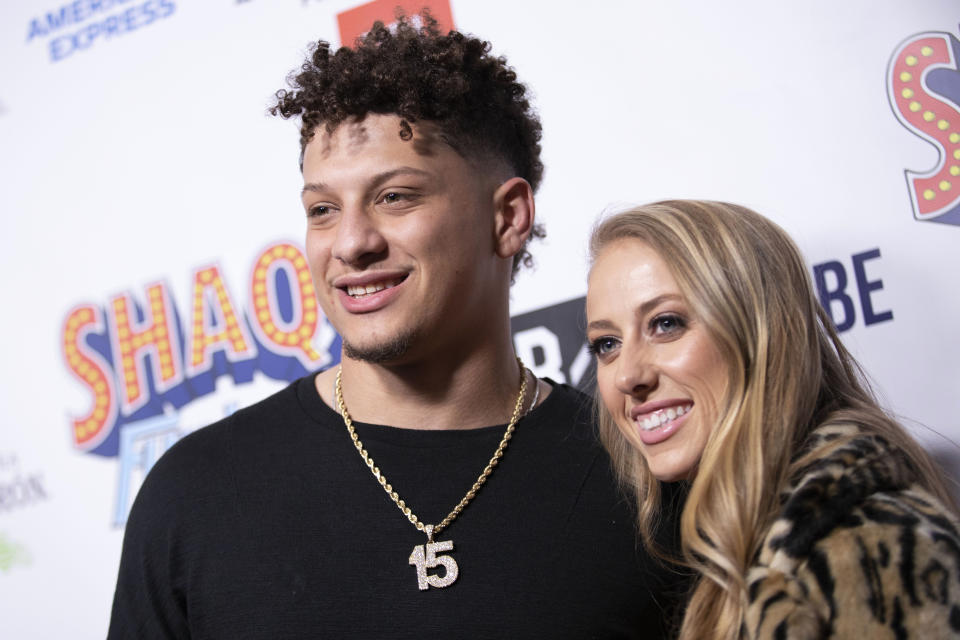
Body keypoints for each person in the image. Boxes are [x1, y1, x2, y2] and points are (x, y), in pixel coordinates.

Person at [107, 16, 683, 639]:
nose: (350, 244)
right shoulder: (198, 492)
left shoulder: (641, 476)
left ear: (508, 217)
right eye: (323, 209)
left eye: (396, 197)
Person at [585, 199, 960, 640]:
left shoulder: (861, 544)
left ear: (759, 330)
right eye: (606, 344)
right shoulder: (746, 543)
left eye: (665, 324)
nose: (628, 375)